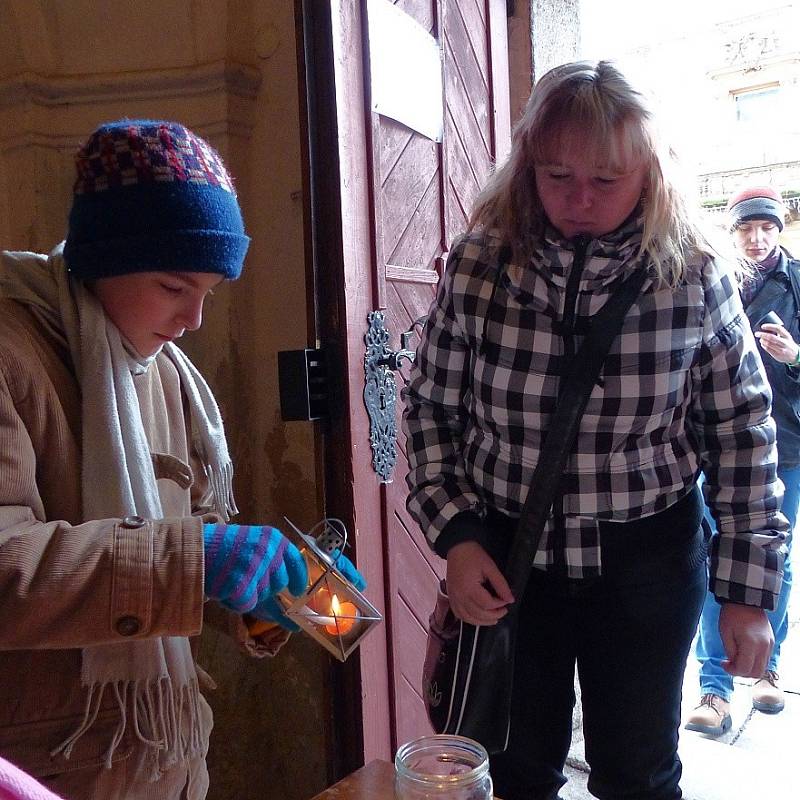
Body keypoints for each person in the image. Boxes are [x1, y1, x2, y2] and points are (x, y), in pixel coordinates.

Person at [402, 61, 788, 800]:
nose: (579, 201)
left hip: (647, 567)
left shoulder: (695, 273)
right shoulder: (480, 266)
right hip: (509, 564)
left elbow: (742, 432)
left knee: (638, 775)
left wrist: (747, 594)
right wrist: (456, 536)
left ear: (648, 172)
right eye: (556, 176)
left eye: (606, 182)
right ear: (525, 170)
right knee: (512, 773)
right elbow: (430, 409)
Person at [0, 120, 363, 800]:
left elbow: (188, 554)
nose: (194, 320)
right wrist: (200, 561)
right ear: (103, 256)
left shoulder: (165, 374)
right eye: (174, 286)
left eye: (210, 292)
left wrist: (271, 597)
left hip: (163, 759)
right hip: (47, 769)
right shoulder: (11, 355)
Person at [686, 186, 798, 737]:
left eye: (766, 228)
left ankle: (767, 669)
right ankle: (715, 685)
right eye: (745, 229)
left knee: (774, 559)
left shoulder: (798, 284)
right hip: (717, 449)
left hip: (788, 448)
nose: (755, 239)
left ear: (779, 230)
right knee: (716, 560)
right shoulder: (715, 279)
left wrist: (795, 357)